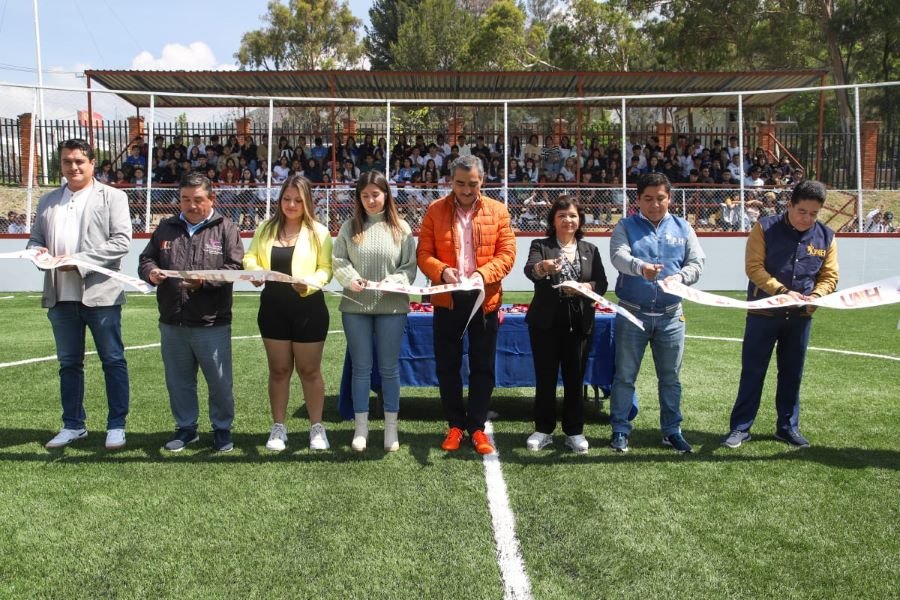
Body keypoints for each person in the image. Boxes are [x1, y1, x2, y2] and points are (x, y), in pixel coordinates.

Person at [27, 139, 132, 450]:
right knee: (68, 364)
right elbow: (36, 239)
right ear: (60, 164)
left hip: (101, 295)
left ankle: (116, 425)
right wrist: (38, 254)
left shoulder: (113, 197)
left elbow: (121, 242)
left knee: (112, 360)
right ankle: (73, 425)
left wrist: (79, 261)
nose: (73, 167)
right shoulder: (47, 201)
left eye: (78, 161)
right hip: (60, 296)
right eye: (66, 161)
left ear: (92, 164)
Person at [722, 180, 839, 449]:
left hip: (800, 318)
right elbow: (754, 268)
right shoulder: (764, 228)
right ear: (790, 205)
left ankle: (787, 427)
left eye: (814, 214)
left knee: (792, 373)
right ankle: (740, 428)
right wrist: (781, 291)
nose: (807, 219)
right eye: (802, 212)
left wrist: (818, 296)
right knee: (752, 372)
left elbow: (829, 276)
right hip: (763, 314)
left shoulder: (827, 237)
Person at [417, 154, 516, 455]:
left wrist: (481, 275)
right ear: (451, 181)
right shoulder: (434, 210)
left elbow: (507, 254)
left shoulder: (498, 212)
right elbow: (423, 254)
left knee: (482, 367)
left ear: (482, 181)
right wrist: (441, 271)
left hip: (484, 300)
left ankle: (477, 427)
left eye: (472, 184)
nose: (465, 190)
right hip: (447, 299)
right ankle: (455, 425)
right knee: (448, 366)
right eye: (460, 183)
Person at [138, 173, 244, 453]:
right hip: (172, 320)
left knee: (220, 383)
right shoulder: (166, 227)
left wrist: (204, 282)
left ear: (212, 199)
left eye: (198, 200)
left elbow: (234, 269)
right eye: (185, 199)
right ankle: (186, 429)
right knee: (179, 382)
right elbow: (146, 258)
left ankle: (222, 429)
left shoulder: (226, 228)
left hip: (212, 323)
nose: (191, 205)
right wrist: (151, 273)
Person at [608, 172, 705, 454]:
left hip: (671, 315)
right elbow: (618, 257)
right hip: (631, 314)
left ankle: (672, 431)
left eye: (660, 198)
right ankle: (620, 430)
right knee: (625, 376)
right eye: (648, 199)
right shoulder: (625, 226)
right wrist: (641, 268)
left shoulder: (684, 227)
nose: (654, 204)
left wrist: (681, 278)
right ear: (638, 200)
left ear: (669, 198)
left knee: (670, 377)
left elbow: (697, 263)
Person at [243, 175, 334, 451]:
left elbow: (325, 269)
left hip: (309, 309)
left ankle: (317, 428)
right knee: (279, 370)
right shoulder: (265, 229)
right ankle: (278, 427)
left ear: (307, 202)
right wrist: (253, 272)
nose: (291, 204)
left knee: (309, 370)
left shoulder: (320, 232)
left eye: (298, 200)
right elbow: (250, 257)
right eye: (286, 199)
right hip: (273, 308)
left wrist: (309, 284)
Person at [332, 171, 417, 452]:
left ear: (386, 195)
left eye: (375, 194)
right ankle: (361, 429)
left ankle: (391, 429)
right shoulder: (349, 228)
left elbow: (409, 267)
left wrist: (395, 281)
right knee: (361, 368)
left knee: (389, 368)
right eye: (365, 195)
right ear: (359, 197)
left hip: (392, 307)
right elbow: (339, 260)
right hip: (355, 306)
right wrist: (349, 278)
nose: (370, 200)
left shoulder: (401, 229)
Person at [524, 196, 608, 454]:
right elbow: (530, 271)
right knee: (545, 378)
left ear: (579, 219)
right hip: (545, 323)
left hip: (579, 323)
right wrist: (543, 267)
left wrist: (586, 288)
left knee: (575, 379)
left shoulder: (590, 249)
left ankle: (574, 431)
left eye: (572, 215)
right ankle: (543, 429)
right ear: (553, 220)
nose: (567, 220)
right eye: (562, 215)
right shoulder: (540, 244)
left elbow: (601, 283)